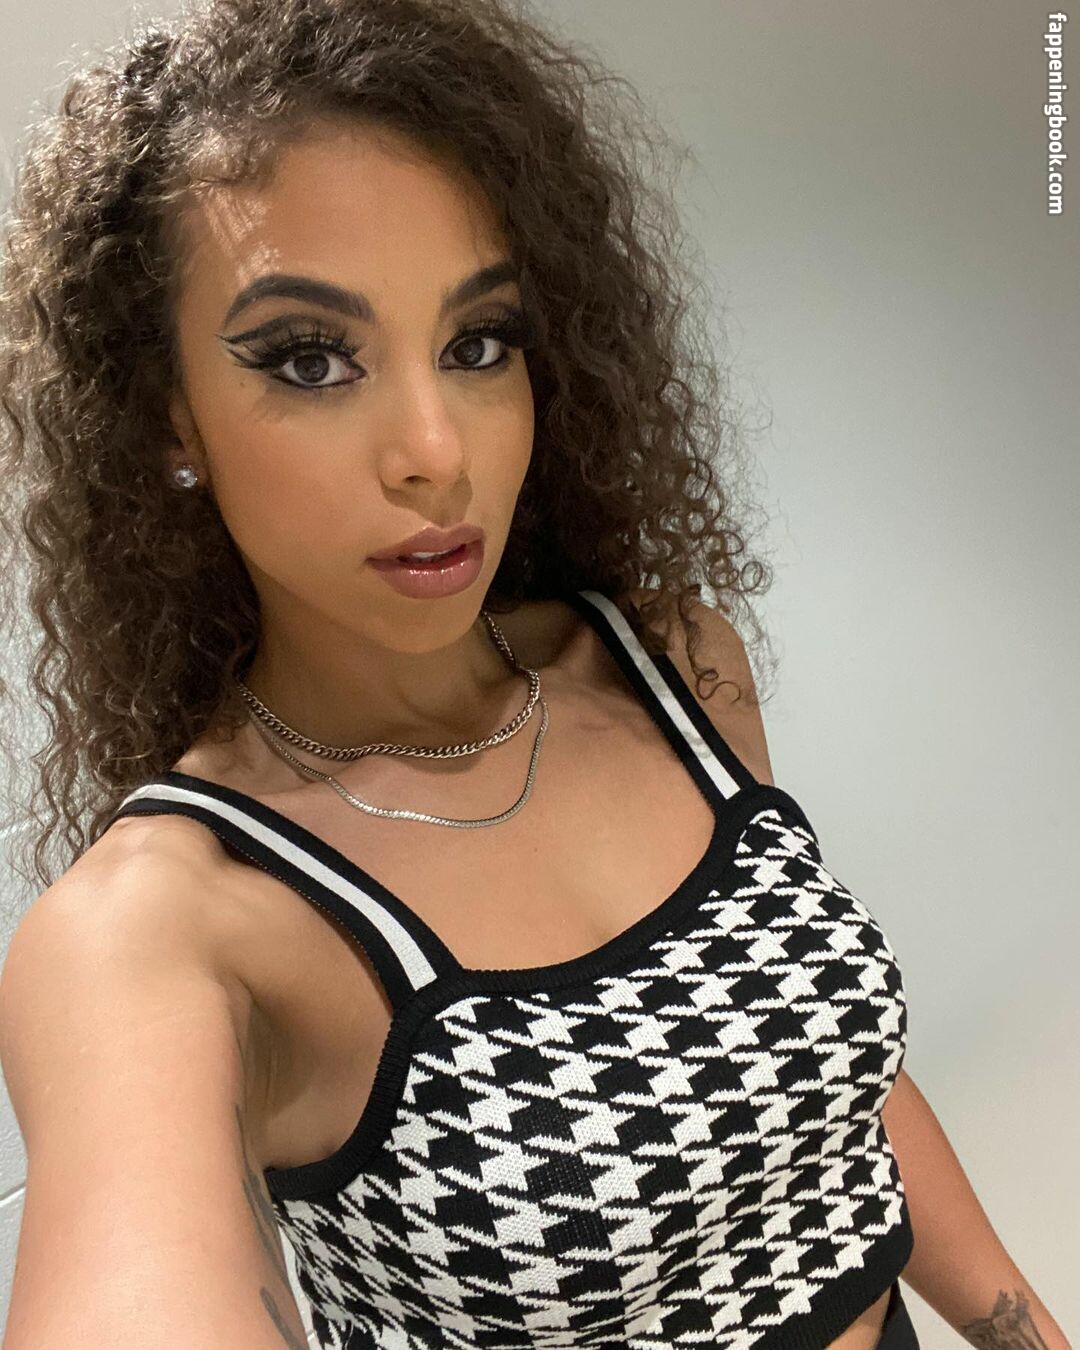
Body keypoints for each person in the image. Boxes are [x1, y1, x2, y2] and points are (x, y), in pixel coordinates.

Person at [0, 2, 1068, 1348]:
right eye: (312, 360)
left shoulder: (675, 669)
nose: (436, 451)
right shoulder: (174, 922)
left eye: (478, 343)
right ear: (169, 415)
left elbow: (822, 1086)